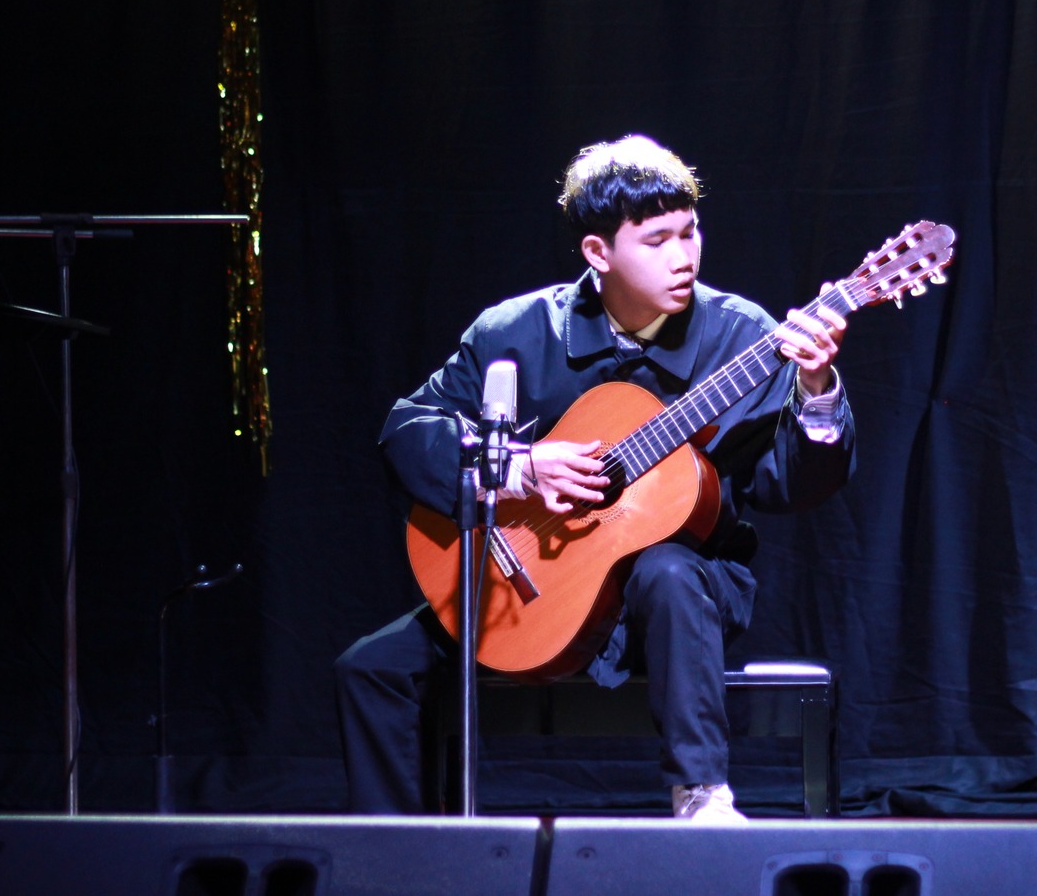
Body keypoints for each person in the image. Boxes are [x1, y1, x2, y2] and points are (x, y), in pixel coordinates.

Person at [336, 135, 856, 822]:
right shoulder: (517, 331)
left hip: (677, 606)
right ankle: (398, 855)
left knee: (667, 570)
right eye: (658, 240)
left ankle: (701, 800)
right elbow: (406, 433)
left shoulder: (741, 336)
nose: (684, 255)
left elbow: (790, 484)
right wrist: (519, 468)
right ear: (597, 252)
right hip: (530, 589)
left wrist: (816, 390)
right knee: (370, 667)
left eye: (690, 231)